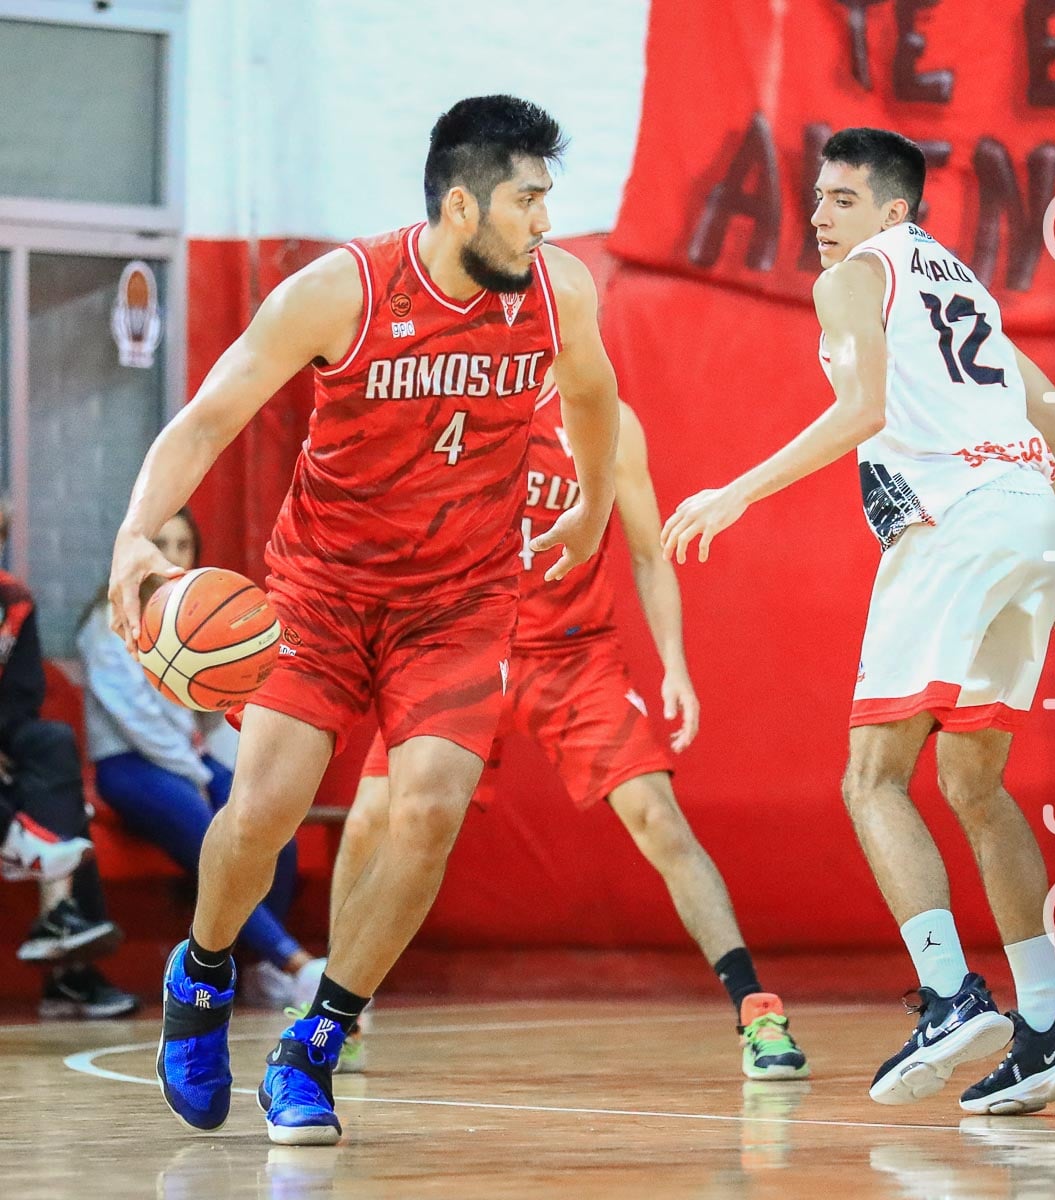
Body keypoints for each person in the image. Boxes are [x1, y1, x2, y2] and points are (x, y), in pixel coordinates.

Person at [107, 95, 619, 1145]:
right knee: (261, 814)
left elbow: (594, 399)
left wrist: (595, 504)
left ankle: (316, 1042)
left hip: (463, 602)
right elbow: (210, 414)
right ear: (464, 203)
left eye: (550, 199)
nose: (547, 221)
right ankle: (201, 976)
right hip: (323, 593)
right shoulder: (341, 289)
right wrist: (135, 532)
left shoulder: (560, 294)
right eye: (529, 200)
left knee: (429, 811)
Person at [662, 127, 1055, 1115]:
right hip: (1029, 521)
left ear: (894, 212)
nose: (820, 216)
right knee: (973, 784)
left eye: (843, 199)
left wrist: (736, 493)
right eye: (818, 198)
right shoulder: (972, 295)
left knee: (871, 778)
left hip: (956, 523)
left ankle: (951, 997)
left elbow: (862, 410)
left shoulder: (856, 278)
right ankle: (1046, 1024)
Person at [327, 383, 808, 1079]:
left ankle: (756, 1012)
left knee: (658, 820)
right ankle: (332, 1017)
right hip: (465, 648)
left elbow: (648, 552)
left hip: (574, 657)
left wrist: (675, 663)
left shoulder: (609, 419)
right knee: (372, 818)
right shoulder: (455, 400)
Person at [78, 508, 322, 1010]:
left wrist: (233, 765)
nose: (171, 557)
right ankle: (295, 963)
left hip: (188, 758)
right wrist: (198, 776)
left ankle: (253, 970)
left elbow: (213, 715)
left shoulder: (199, 619)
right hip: (130, 765)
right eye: (161, 543)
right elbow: (139, 719)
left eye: (183, 546)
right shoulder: (107, 621)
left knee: (273, 824)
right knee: (206, 829)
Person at [0, 497, 139, 1018]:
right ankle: (71, 977)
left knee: (53, 743)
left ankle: (59, 920)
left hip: (4, 752)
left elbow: (23, 694)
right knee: (62, 806)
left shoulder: (14, 601)